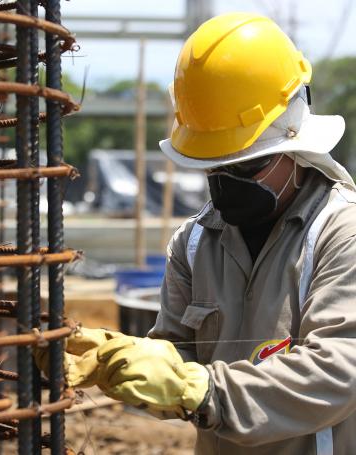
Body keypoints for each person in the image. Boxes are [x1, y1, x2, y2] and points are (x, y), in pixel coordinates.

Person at [36, 12, 356, 454]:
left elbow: (340, 373)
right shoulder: (195, 242)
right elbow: (179, 361)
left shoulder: (342, 233)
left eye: (246, 165)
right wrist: (127, 359)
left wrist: (203, 391)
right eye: (217, 166)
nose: (229, 181)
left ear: (295, 144)